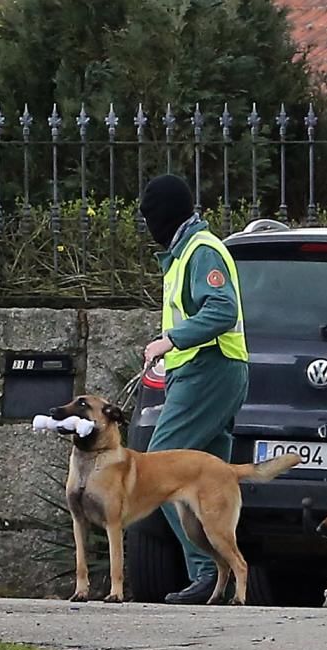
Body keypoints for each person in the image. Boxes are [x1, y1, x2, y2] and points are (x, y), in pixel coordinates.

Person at [139, 174, 249, 604]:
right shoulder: (183, 252)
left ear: (166, 214)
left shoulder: (202, 252)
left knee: (158, 470)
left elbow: (222, 310)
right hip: (204, 373)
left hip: (210, 371)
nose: (149, 224)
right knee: (210, 484)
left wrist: (172, 340)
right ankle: (220, 579)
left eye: (151, 215)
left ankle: (205, 571)